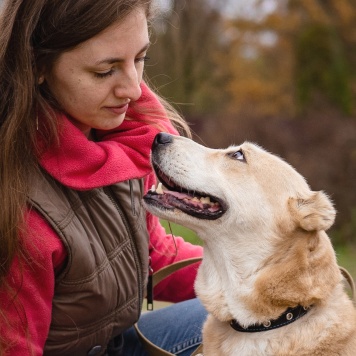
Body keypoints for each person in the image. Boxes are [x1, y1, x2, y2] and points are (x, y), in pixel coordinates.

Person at [0, 0, 207, 355]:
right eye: (105, 70)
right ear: (37, 65)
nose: (135, 89)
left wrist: (264, 275)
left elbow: (150, 253)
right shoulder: (20, 207)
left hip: (117, 344)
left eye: (139, 59)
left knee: (260, 315)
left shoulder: (121, 136)